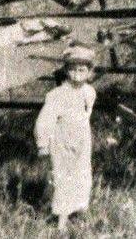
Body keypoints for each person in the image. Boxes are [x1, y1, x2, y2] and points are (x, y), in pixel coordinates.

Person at [34, 44, 97, 231]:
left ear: (89, 72)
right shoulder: (57, 95)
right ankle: (61, 220)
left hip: (82, 141)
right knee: (62, 178)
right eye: (73, 69)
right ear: (66, 70)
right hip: (61, 141)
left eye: (82, 69)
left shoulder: (89, 92)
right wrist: (43, 143)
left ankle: (78, 212)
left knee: (82, 174)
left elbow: (87, 114)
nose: (77, 73)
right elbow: (45, 120)